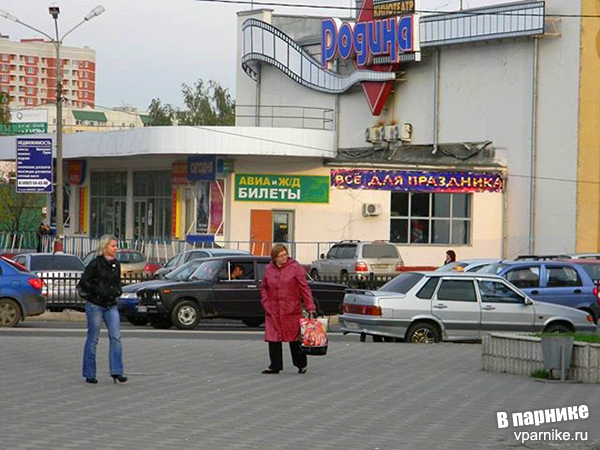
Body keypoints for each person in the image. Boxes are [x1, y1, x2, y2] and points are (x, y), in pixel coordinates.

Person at [260, 243, 316, 375]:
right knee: (273, 338)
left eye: (285, 254)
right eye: (280, 256)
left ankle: (301, 364)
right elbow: (264, 287)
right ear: (274, 257)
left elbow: (304, 288)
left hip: (291, 309)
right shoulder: (268, 269)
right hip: (273, 309)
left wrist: (310, 306)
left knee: (294, 338)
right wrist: (265, 302)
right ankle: (275, 365)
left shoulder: (295, 267)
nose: (284, 257)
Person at [78, 234, 127, 385]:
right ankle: (89, 373)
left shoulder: (116, 265)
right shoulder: (95, 264)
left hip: (110, 305)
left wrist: (117, 291)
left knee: (116, 337)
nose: (116, 249)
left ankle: (117, 371)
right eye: (113, 246)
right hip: (95, 305)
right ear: (105, 247)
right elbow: (84, 283)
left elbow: (117, 282)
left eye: (116, 245)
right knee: (93, 339)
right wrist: (99, 290)